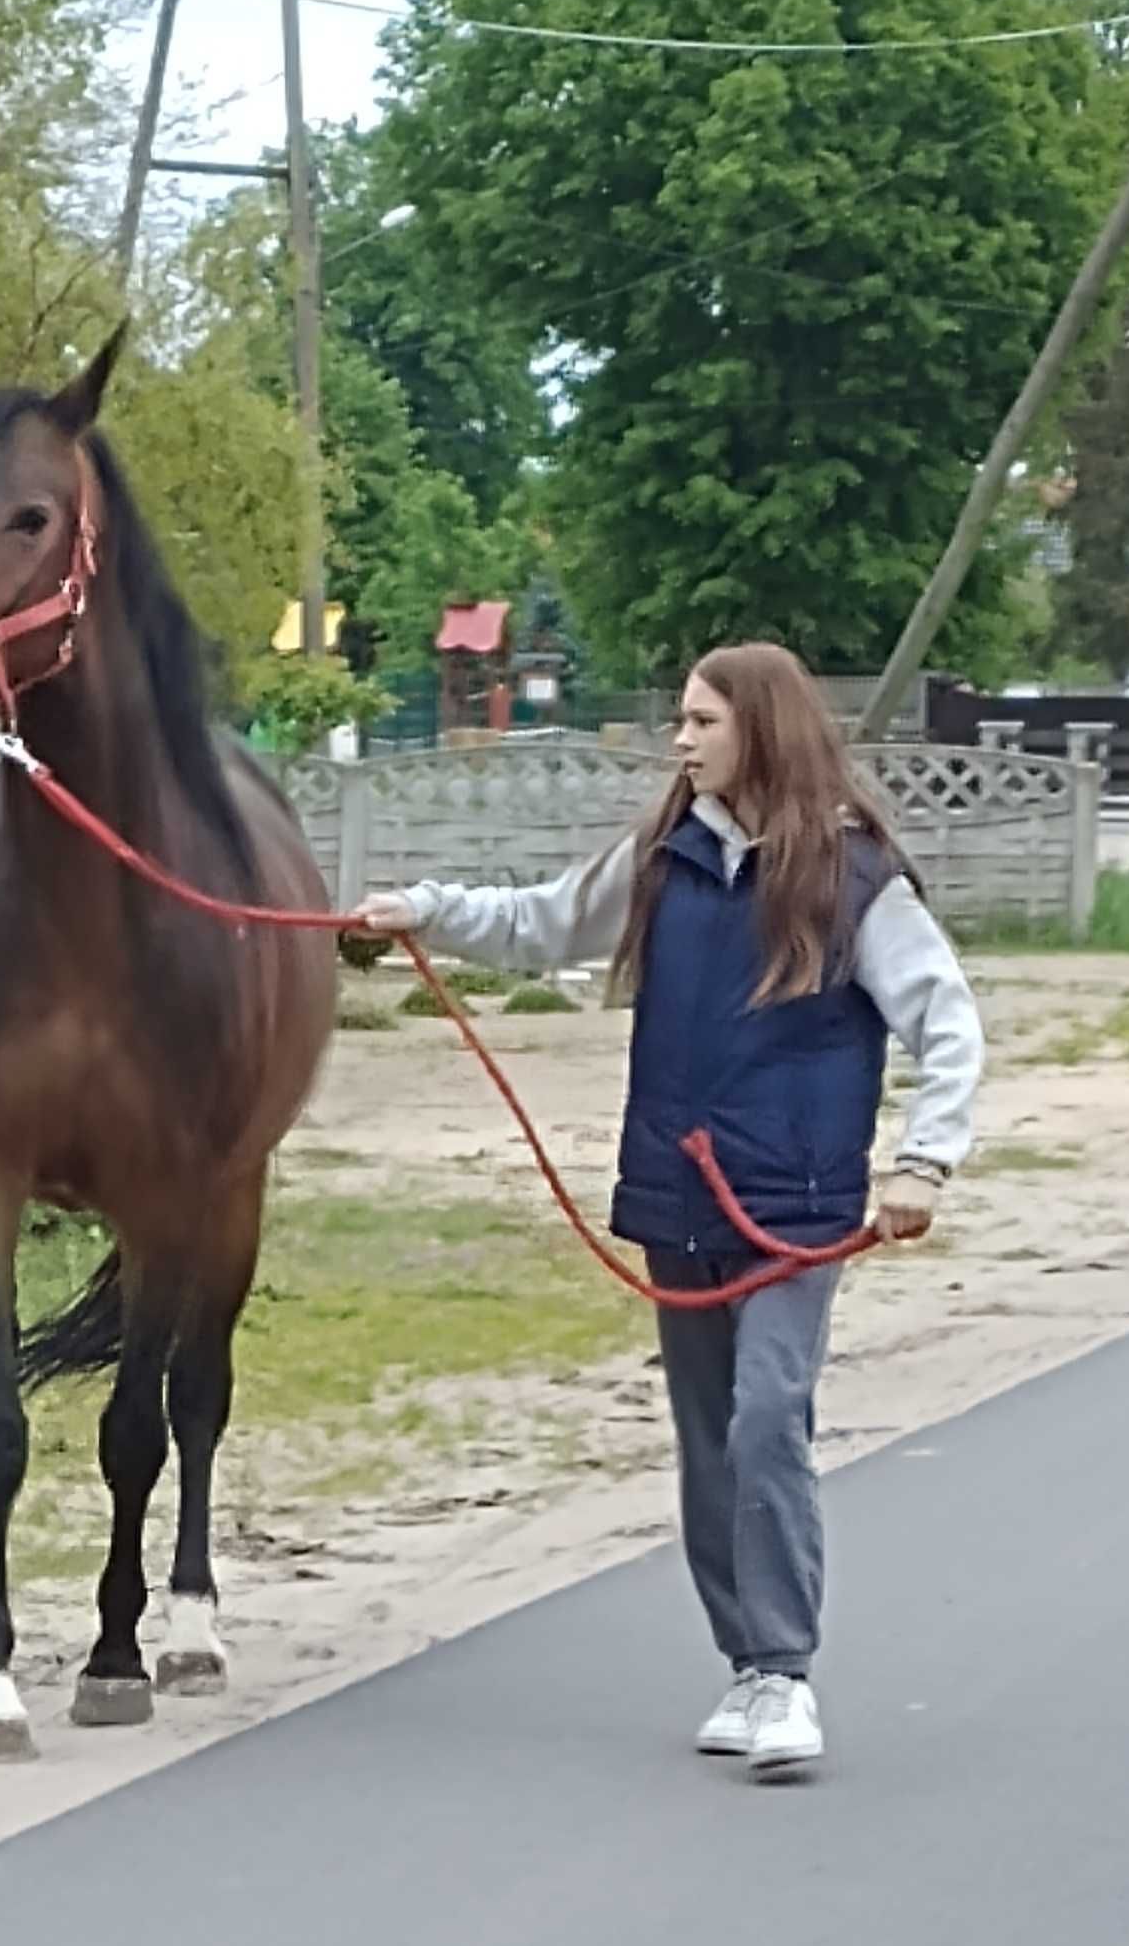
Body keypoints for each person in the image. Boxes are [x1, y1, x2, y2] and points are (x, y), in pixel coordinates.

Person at [357, 639, 983, 1783]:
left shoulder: (853, 877)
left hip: (794, 1205)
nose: (679, 739)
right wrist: (424, 912)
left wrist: (923, 1163)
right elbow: (546, 921)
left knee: (765, 1414)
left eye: (701, 721)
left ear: (760, 728)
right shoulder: (665, 856)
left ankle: (786, 1671)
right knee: (705, 1439)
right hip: (678, 1191)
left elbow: (947, 1022)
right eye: (681, 721)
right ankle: (744, 1663)